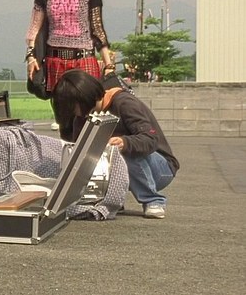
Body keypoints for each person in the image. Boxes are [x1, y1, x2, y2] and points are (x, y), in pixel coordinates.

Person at [51, 70, 179, 219]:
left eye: (72, 106)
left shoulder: (125, 103)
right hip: (125, 170)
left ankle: (153, 200)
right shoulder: (80, 118)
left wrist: (125, 142)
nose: (73, 111)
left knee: (120, 151)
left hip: (160, 168)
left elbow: (151, 139)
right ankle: (111, 201)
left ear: (82, 99)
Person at [25, 0, 114, 135]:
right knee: (64, 117)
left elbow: (97, 28)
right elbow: (34, 27)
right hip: (56, 61)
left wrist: (108, 64)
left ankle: (88, 152)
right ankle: (66, 151)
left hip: (84, 59)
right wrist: (31, 56)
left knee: (89, 114)